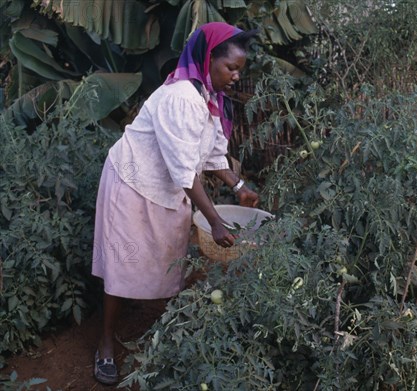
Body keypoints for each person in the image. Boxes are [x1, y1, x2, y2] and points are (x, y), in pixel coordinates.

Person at [91, 22, 259, 385]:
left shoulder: (208, 97)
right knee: (123, 264)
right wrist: (215, 221)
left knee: (166, 258)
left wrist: (239, 185)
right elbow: (186, 172)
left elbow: (214, 156)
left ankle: (159, 327)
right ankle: (105, 343)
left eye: (239, 71)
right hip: (132, 183)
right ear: (207, 57)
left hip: (165, 187)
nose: (235, 77)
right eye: (230, 67)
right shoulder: (182, 96)